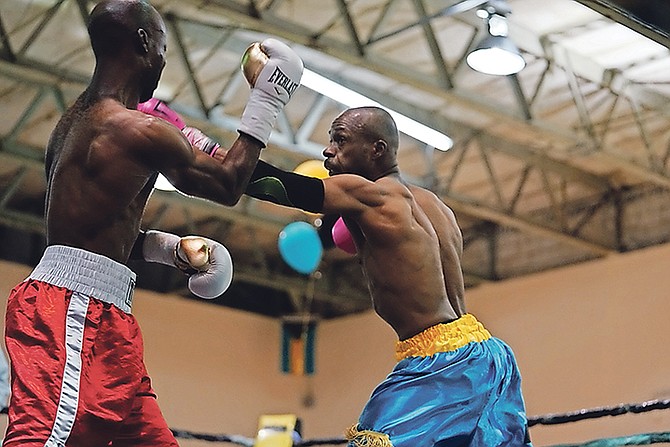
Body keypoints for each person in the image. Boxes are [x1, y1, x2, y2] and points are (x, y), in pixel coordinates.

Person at [2, 0, 303, 445]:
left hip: (103, 313)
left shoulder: (69, 125)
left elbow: (88, 229)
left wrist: (167, 249)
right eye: (162, 47)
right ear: (143, 43)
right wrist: (269, 96)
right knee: (42, 438)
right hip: (68, 311)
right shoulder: (133, 128)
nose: (163, 60)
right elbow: (226, 183)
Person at [244, 106, 533, 446]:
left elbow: (274, 185)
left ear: (376, 150)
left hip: (439, 365)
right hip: (487, 355)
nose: (327, 150)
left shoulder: (368, 195)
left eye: (340, 140)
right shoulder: (435, 206)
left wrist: (214, 146)